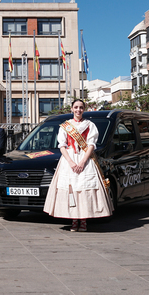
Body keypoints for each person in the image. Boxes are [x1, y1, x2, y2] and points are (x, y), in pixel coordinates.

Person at [43, 99, 113, 231]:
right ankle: (74, 220)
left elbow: (91, 145)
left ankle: (84, 220)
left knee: (84, 189)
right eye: (76, 107)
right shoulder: (65, 126)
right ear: (71, 109)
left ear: (84, 109)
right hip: (69, 159)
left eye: (81, 107)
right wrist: (71, 162)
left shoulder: (90, 125)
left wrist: (82, 162)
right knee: (72, 190)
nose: (78, 110)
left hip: (85, 159)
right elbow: (62, 146)